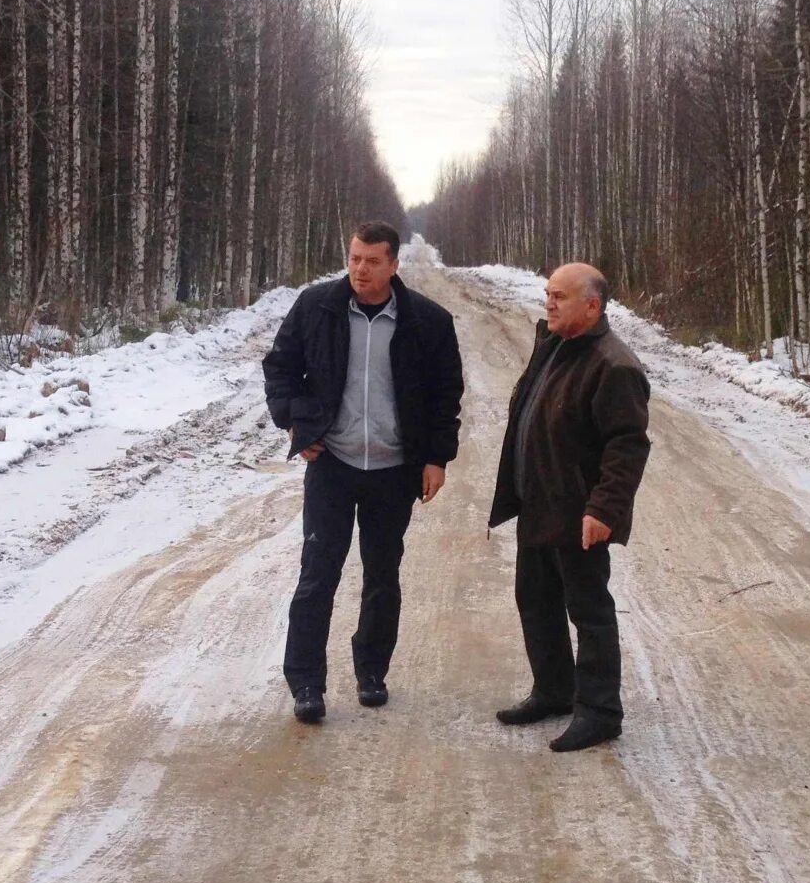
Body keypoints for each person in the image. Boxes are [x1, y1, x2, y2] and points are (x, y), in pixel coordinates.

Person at [262, 222, 465, 724]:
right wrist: (297, 423)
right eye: (354, 259)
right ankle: (306, 682)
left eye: (372, 261)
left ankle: (371, 671)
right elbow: (280, 368)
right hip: (332, 463)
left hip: (394, 470)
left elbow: (446, 395)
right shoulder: (317, 308)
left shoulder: (429, 321)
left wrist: (437, 457)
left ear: (394, 264)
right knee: (318, 574)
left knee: (382, 575)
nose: (360, 270)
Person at [488, 263, 651, 752]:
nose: (550, 303)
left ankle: (601, 712)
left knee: (589, 611)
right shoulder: (555, 344)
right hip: (539, 503)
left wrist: (603, 510)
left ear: (592, 305)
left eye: (560, 296)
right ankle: (554, 691)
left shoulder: (613, 364)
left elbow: (627, 447)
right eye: (548, 294)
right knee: (535, 602)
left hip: (578, 514)